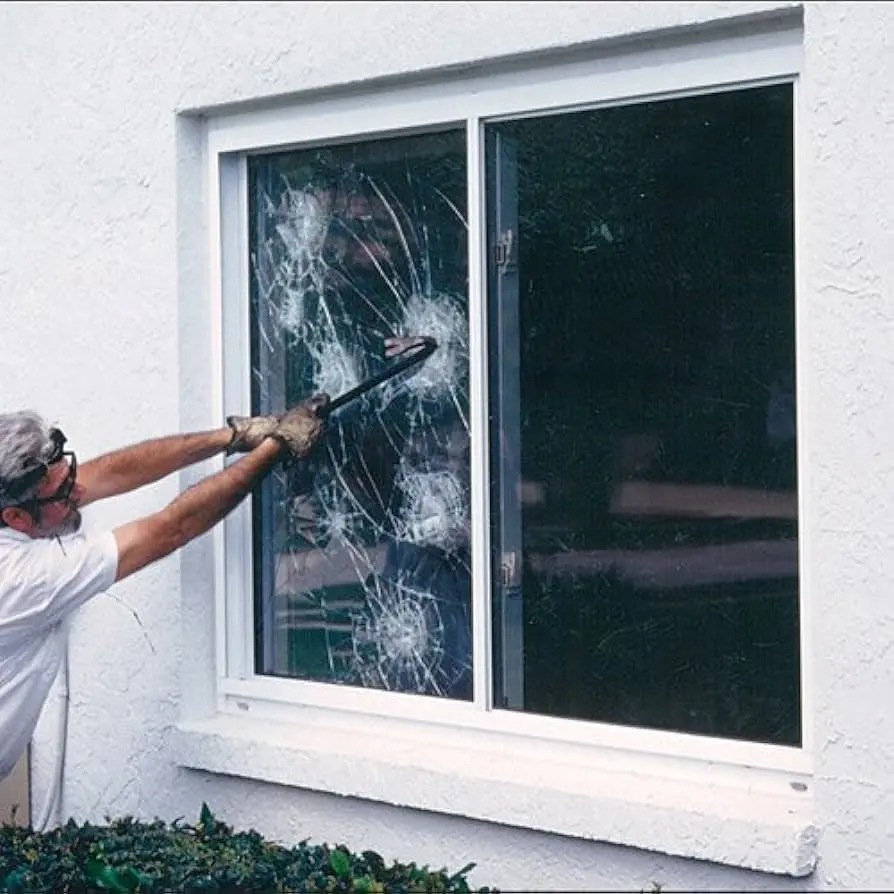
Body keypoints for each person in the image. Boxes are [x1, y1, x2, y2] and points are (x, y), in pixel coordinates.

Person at [0, 394, 329, 781]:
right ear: (16, 517)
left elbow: (111, 472)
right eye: (63, 493)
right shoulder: (23, 579)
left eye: (69, 475)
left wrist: (235, 436)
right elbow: (171, 527)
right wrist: (275, 447)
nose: (78, 491)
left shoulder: (28, 503)